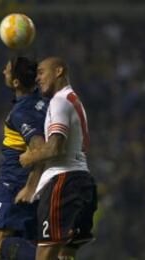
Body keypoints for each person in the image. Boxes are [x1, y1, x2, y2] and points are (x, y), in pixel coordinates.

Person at [19, 57, 98, 260]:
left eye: (42, 72)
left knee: (44, 255)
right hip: (83, 182)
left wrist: (29, 157)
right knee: (65, 255)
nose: (37, 78)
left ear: (59, 71)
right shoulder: (74, 99)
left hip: (63, 183)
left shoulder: (59, 101)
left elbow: (55, 148)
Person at [0, 56, 48, 260]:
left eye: (7, 70)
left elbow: (39, 148)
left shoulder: (22, 113)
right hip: (40, 184)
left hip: (15, 184)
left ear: (16, 82)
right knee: (25, 243)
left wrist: (30, 186)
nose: (3, 71)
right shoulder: (44, 102)